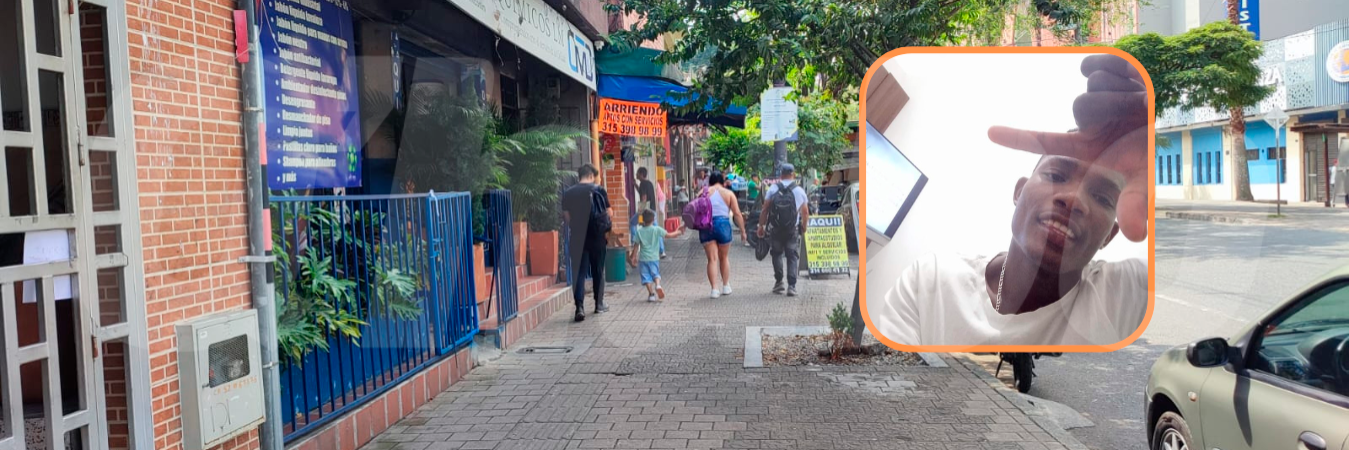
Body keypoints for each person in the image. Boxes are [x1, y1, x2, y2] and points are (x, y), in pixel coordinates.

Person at [874, 54, 1149, 346]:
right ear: (1019, 192)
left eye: (1102, 197)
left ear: (1110, 234)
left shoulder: (1123, 295)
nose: (1072, 199)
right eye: (1056, 177)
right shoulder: (929, 282)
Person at [561, 164, 613, 322]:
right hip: (597, 236)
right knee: (598, 270)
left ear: (580, 175)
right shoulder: (599, 190)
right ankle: (599, 304)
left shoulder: (569, 193)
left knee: (579, 273)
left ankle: (579, 308)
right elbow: (609, 213)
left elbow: (566, 217)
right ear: (591, 175)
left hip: (578, 236)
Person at [756, 164, 810, 297]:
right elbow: (805, 212)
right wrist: (804, 226)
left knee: (777, 254)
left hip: (776, 229)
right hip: (792, 230)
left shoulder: (773, 189)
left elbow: (765, 209)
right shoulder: (799, 190)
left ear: (781, 174)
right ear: (793, 174)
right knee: (792, 256)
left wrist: (761, 226)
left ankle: (779, 282)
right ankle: (792, 286)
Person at [698, 171, 748, 298]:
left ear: (710, 182)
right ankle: (726, 286)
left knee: (712, 259)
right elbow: (737, 213)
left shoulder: (703, 192)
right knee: (724, 257)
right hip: (723, 225)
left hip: (706, 226)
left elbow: (696, 211)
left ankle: (714, 289)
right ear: (722, 182)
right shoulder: (728, 193)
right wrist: (743, 231)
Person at [632, 209, 685, 302]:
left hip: (643, 258)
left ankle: (651, 294)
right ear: (653, 220)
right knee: (655, 274)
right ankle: (658, 285)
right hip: (654, 258)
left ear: (643, 220)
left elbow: (636, 246)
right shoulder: (656, 229)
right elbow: (668, 235)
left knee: (646, 277)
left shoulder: (639, 232)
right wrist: (678, 232)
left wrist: (633, 257)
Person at [633, 167, 665, 258]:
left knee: (633, 223)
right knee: (655, 229)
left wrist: (641, 212)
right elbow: (641, 192)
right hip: (653, 210)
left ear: (641, 174)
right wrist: (635, 184)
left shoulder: (643, 184)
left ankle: (633, 242)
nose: (636, 175)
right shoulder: (649, 183)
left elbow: (643, 197)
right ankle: (662, 251)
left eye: (638, 173)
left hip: (646, 211)